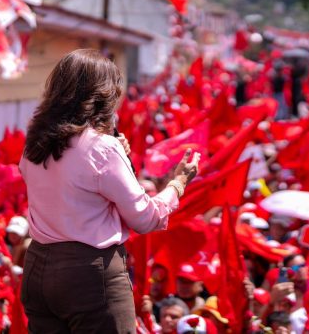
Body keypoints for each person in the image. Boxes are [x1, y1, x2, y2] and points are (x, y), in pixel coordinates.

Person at [19, 49, 201, 333]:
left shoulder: (35, 141)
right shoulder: (102, 147)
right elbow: (145, 218)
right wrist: (178, 184)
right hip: (89, 275)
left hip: (38, 268)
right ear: (103, 96)